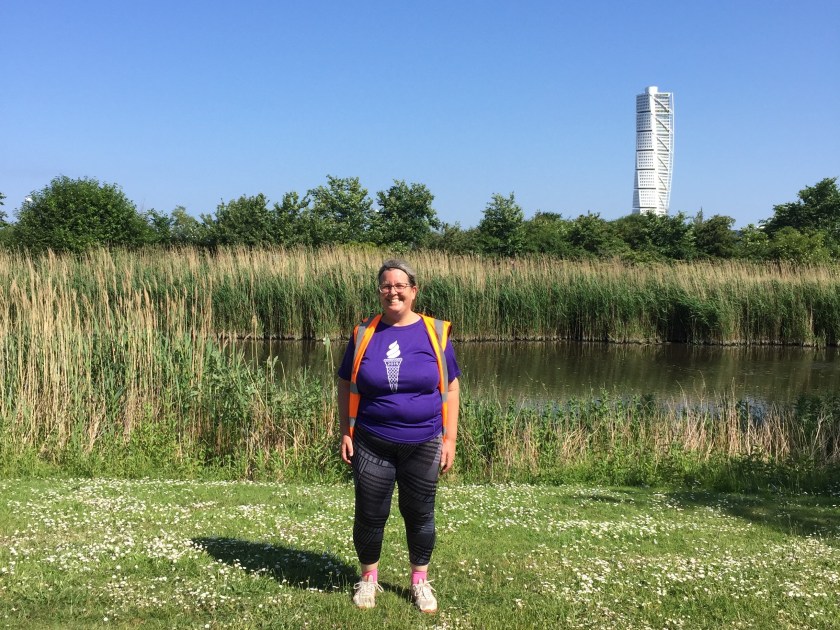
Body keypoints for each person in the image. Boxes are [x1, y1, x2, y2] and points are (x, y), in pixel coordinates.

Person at [337, 259, 461, 614]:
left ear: (413, 290)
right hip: (371, 439)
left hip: (424, 441)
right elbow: (346, 381)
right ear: (379, 291)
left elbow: (451, 388)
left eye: (400, 285)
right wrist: (346, 430)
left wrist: (449, 439)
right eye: (386, 286)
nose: (393, 291)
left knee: (420, 513)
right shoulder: (364, 333)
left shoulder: (434, 332)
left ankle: (419, 581)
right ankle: (368, 579)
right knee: (370, 513)